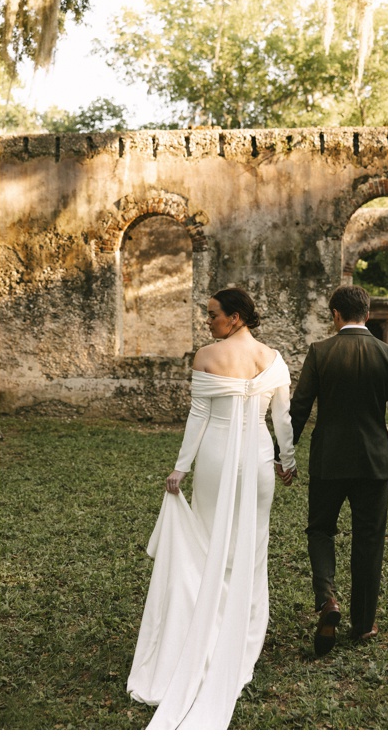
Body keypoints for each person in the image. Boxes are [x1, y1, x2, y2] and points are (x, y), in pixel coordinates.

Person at [128, 286, 295, 729]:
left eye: (214, 314)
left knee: (208, 547)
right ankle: (240, 637)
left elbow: (198, 417)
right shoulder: (275, 360)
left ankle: (208, 631)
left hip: (218, 459)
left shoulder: (206, 357)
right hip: (259, 460)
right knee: (251, 551)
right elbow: (282, 419)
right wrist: (288, 461)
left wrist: (181, 468)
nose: (208, 321)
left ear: (236, 317)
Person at [289, 283, 388, 656]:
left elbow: (299, 408)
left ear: (335, 315)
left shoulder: (320, 352)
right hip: (374, 463)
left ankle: (327, 601)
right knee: (369, 540)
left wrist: (284, 454)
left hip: (328, 460)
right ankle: (363, 624)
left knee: (321, 529)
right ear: (367, 313)